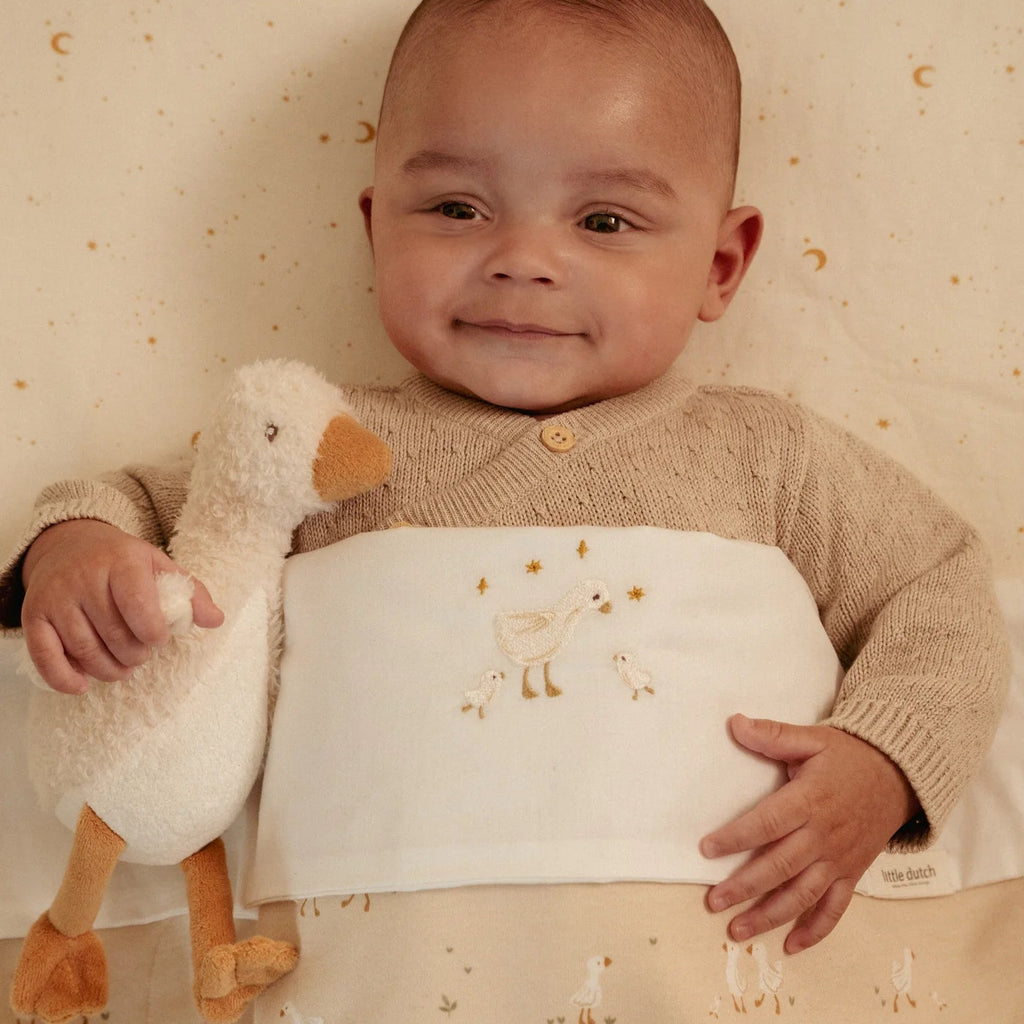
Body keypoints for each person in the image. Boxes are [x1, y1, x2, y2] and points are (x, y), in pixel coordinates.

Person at [0, 0, 1007, 966]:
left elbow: (940, 582)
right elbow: (136, 501)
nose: (523, 259)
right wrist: (78, 551)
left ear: (720, 263)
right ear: (373, 227)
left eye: (605, 221)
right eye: (454, 207)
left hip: (713, 959)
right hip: (377, 969)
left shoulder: (762, 451)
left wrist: (883, 762)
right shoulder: (320, 441)